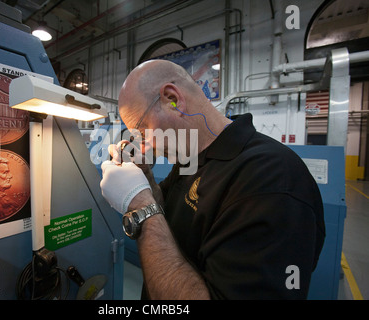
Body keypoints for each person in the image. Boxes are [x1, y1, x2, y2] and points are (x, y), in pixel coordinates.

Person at [100, 59, 325, 300]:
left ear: (172, 99)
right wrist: (145, 182)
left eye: (142, 131)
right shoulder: (190, 160)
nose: (145, 145)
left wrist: (140, 206)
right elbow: (168, 214)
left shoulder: (273, 180)